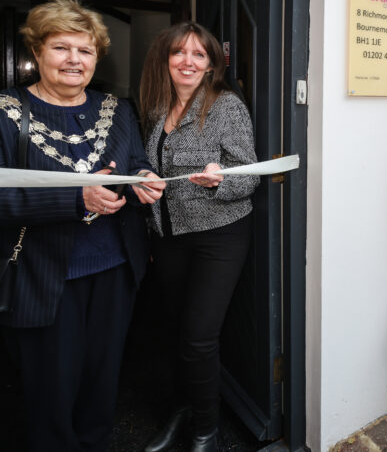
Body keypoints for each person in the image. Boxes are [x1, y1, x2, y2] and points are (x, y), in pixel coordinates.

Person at [0, 0, 165, 451]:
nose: (73, 60)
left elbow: (136, 162)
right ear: (37, 52)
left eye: (85, 51)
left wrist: (142, 179)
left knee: (102, 385)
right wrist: (75, 198)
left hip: (115, 269)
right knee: (50, 392)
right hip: (42, 276)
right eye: (61, 48)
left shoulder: (117, 108)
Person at [139, 22, 260, 452]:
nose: (187, 62)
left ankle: (206, 429)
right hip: (167, 236)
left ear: (211, 64)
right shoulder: (156, 105)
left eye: (198, 55)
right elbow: (147, 165)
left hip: (218, 235)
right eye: (179, 53)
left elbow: (247, 175)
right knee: (171, 329)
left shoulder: (226, 106)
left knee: (199, 335)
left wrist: (219, 181)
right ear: (166, 59)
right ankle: (181, 409)